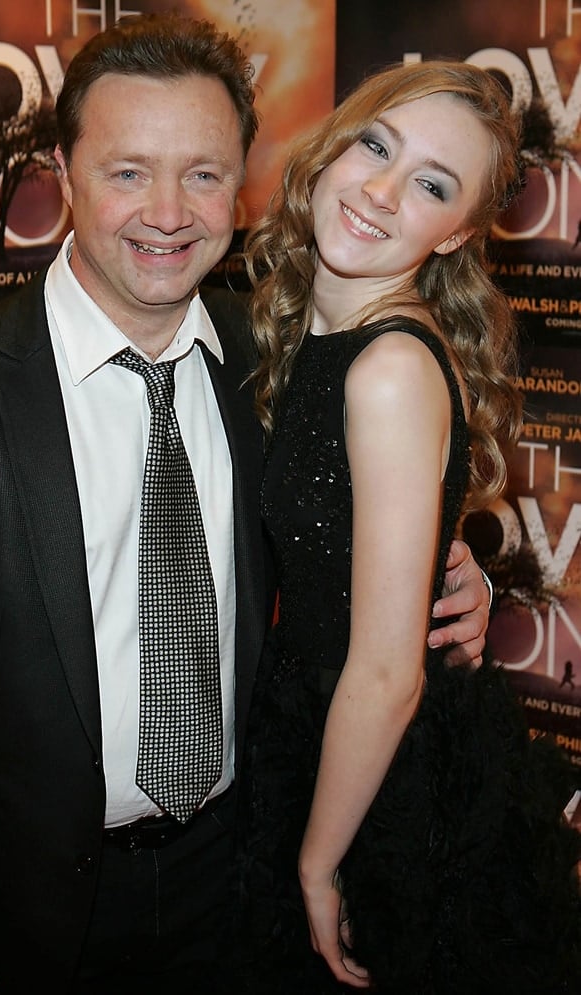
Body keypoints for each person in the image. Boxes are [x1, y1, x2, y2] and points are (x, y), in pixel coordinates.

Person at [0, 16, 491, 995]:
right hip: (23, 905)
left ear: (241, 181)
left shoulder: (271, 358)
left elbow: (345, 532)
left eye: (204, 174)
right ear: (61, 172)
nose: (168, 212)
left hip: (243, 872)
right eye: (127, 171)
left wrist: (447, 567)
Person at [235, 60, 581, 994]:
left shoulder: (388, 369)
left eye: (431, 183)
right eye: (375, 145)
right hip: (319, 733)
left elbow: (386, 673)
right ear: (335, 143)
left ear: (459, 231)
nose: (382, 192)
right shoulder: (314, 321)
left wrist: (315, 864)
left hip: (379, 775)